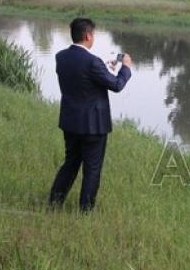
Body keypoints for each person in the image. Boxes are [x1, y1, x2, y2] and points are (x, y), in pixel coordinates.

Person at [48, 18, 132, 212]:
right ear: (88, 35)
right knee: (92, 169)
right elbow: (117, 85)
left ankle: (54, 203)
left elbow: (83, 76)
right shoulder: (93, 62)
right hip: (93, 126)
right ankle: (85, 211)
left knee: (70, 163)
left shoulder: (61, 57)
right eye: (93, 34)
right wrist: (125, 67)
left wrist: (104, 68)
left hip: (70, 122)